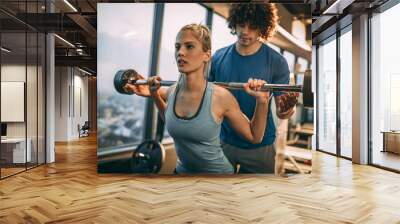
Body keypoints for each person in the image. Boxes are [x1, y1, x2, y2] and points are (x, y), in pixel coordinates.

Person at [124, 24, 271, 174]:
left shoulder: (221, 97)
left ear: (206, 55)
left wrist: (262, 101)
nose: (180, 52)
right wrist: (154, 94)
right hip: (181, 173)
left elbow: (255, 136)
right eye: (177, 47)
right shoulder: (172, 91)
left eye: (189, 46)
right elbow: (170, 120)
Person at [208, 3, 298, 173]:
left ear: (263, 28)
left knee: (257, 197)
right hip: (223, 142)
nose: (245, 31)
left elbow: (282, 112)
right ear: (234, 22)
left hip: (261, 145)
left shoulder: (277, 62)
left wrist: (287, 108)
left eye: (253, 26)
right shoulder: (218, 58)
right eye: (242, 24)